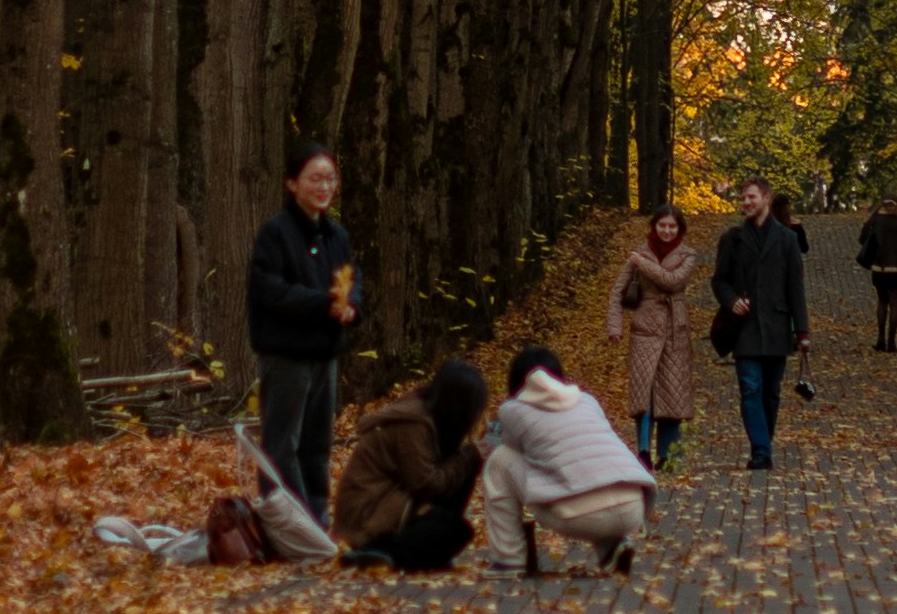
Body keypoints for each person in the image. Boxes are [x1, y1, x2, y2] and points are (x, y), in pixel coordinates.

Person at [245, 141, 361, 523]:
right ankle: (287, 522)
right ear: (292, 184)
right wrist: (321, 303)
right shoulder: (275, 233)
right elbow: (269, 290)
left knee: (318, 444)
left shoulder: (336, 236)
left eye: (329, 178)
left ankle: (318, 519)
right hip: (286, 355)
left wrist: (351, 306)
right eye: (314, 178)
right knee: (283, 444)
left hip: (324, 353)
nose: (323, 187)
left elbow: (352, 280)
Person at [480, 345, 653, 574]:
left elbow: (507, 448)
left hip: (581, 515)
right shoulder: (587, 400)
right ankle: (612, 546)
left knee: (500, 461)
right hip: (633, 506)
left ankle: (507, 559)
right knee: (588, 464)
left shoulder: (513, 410)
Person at [334, 355, 490, 569]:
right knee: (454, 528)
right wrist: (469, 455)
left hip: (389, 506)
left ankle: (405, 552)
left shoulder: (429, 418)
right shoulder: (413, 424)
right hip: (368, 518)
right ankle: (380, 552)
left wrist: (471, 458)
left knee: (454, 526)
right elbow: (426, 484)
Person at [709, 176, 809, 469]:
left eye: (751, 197)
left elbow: (796, 288)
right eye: (742, 198)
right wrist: (730, 300)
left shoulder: (788, 239)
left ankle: (764, 441)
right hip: (744, 328)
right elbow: (719, 281)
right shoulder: (733, 239)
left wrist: (802, 332)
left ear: (766, 198)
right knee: (750, 387)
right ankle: (760, 450)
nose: (745, 203)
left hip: (777, 326)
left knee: (771, 392)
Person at [608, 208, 700, 471]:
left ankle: (669, 455)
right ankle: (644, 451)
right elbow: (617, 292)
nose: (667, 231)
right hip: (644, 331)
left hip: (674, 331)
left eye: (672, 227)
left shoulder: (687, 254)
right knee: (643, 393)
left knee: (672, 393)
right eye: (662, 226)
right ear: (654, 226)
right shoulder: (639, 253)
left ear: (679, 229)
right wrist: (615, 326)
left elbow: (673, 281)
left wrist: (642, 264)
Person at [771, 190, 819, 403]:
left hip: (772, 270)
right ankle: (793, 332)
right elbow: (805, 248)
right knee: (793, 301)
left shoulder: (770, 226)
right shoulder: (795, 225)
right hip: (793, 268)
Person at [857, 196, 897, 350]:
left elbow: (862, 239)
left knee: (882, 301)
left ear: (883, 205)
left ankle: (880, 339)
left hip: (880, 268)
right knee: (895, 303)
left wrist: (874, 214)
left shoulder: (876, 221)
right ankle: (892, 342)